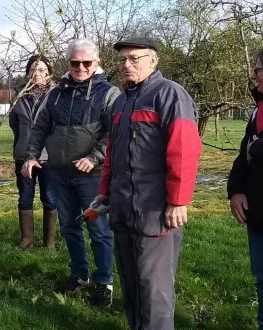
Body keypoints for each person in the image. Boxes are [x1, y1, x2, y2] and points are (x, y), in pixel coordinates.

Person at [96, 38, 202, 329]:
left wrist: (178, 200)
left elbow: (185, 150)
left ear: (153, 61)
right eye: (121, 60)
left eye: (134, 58)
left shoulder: (170, 95)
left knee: (154, 291)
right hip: (122, 210)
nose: (126, 64)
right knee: (131, 286)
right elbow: (112, 154)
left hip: (155, 213)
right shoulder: (122, 100)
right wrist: (104, 193)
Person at [23, 39, 120, 307]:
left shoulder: (109, 94)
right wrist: (31, 156)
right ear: (68, 64)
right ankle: (79, 274)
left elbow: (114, 133)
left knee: (98, 229)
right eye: (75, 62)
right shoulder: (56, 94)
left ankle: (105, 281)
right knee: (69, 227)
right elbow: (40, 128)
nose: (80, 67)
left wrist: (94, 157)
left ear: (96, 63)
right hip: (60, 174)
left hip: (92, 177)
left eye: (86, 63)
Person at [228, 50, 263, 330]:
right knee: (262, 276)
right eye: (256, 69)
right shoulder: (258, 110)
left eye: (260, 69)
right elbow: (243, 155)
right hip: (258, 210)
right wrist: (236, 190)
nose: (256, 75)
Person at [9, 54, 58, 250]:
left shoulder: (57, 94)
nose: (36, 73)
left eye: (41, 70)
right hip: (23, 154)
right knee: (25, 196)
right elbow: (14, 124)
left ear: (48, 74)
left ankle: (50, 242)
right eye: (32, 70)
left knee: (50, 197)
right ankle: (27, 240)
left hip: (49, 156)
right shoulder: (18, 94)